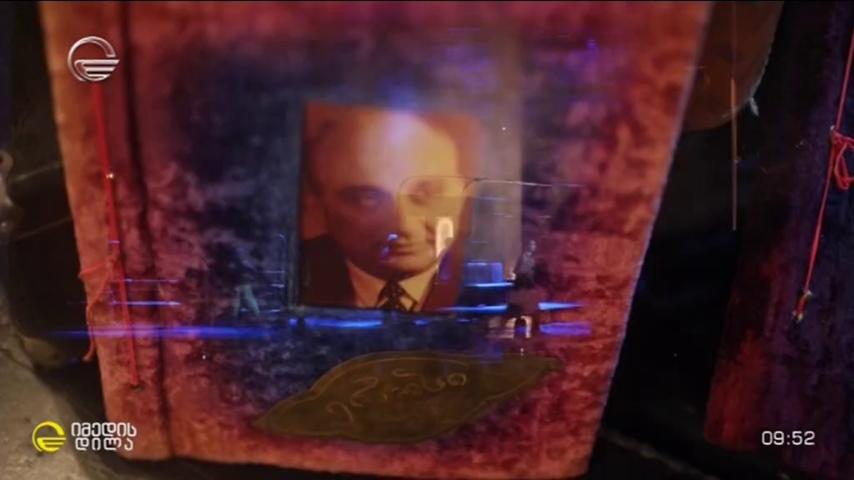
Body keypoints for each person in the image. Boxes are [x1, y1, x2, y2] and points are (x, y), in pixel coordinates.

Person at [300, 103, 477, 312]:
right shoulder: (295, 275)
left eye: (427, 193)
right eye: (367, 199)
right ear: (318, 203)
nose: (404, 227)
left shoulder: (490, 277)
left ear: (463, 191)